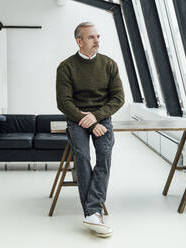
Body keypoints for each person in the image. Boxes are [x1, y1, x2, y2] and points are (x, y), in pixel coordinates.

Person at [56, 22, 124, 238]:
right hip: (77, 119)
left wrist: (96, 117)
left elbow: (118, 98)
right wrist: (88, 121)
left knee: (104, 156)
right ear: (79, 41)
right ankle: (93, 212)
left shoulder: (109, 64)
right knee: (83, 157)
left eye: (98, 36)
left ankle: (91, 211)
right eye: (91, 37)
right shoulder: (66, 67)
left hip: (102, 117)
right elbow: (63, 102)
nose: (97, 41)